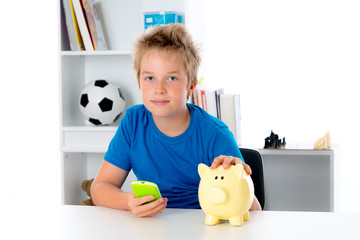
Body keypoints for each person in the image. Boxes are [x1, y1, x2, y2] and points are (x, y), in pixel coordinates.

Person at [91, 23, 261, 217]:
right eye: (149, 78)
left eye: (171, 78)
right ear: (139, 82)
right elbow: (99, 189)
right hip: (152, 225)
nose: (159, 88)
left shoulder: (214, 133)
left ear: (190, 86)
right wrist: (127, 202)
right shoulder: (133, 122)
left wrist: (236, 176)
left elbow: (255, 211)